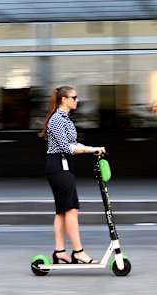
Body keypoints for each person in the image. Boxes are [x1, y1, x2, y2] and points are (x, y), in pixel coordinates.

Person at [41, 86, 106, 264]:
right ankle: (78, 251)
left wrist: (91, 149)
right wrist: (89, 149)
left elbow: (73, 142)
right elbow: (66, 147)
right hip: (57, 165)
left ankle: (60, 251)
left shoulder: (66, 118)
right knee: (71, 209)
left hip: (64, 165)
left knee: (63, 211)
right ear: (64, 99)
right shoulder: (56, 119)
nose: (77, 100)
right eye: (74, 97)